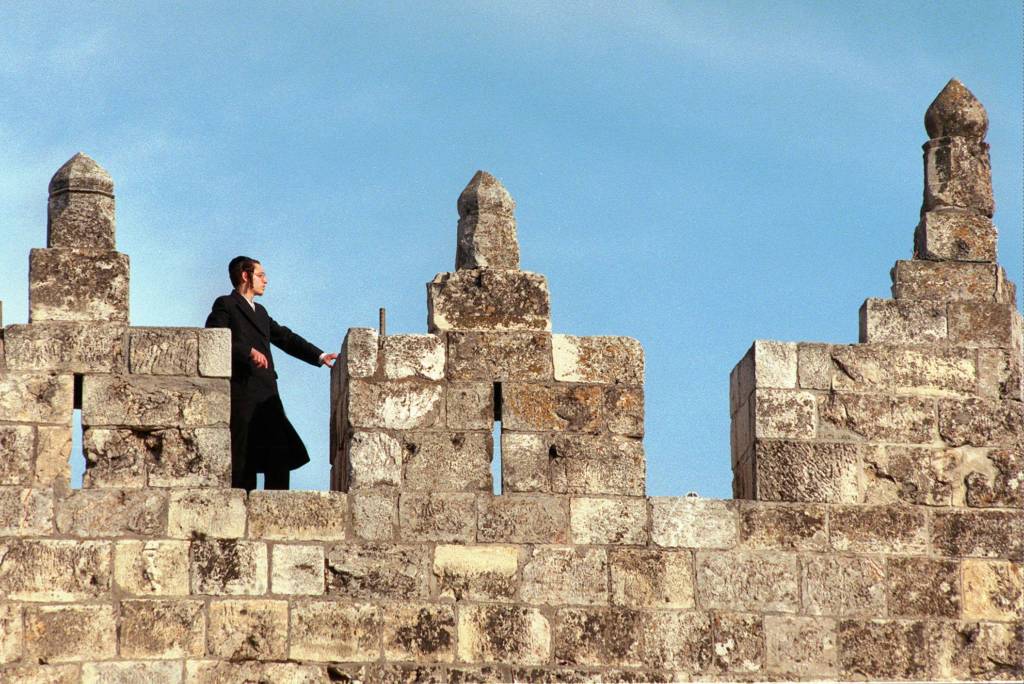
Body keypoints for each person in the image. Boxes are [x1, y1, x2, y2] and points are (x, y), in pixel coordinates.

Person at [205, 256, 337, 490]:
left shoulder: (262, 312)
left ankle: (275, 513)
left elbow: (285, 337)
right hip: (243, 393)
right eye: (260, 275)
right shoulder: (225, 304)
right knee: (245, 457)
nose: (266, 280)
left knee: (279, 454)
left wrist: (319, 356)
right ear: (245, 276)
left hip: (267, 396)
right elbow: (214, 336)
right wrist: (247, 351)